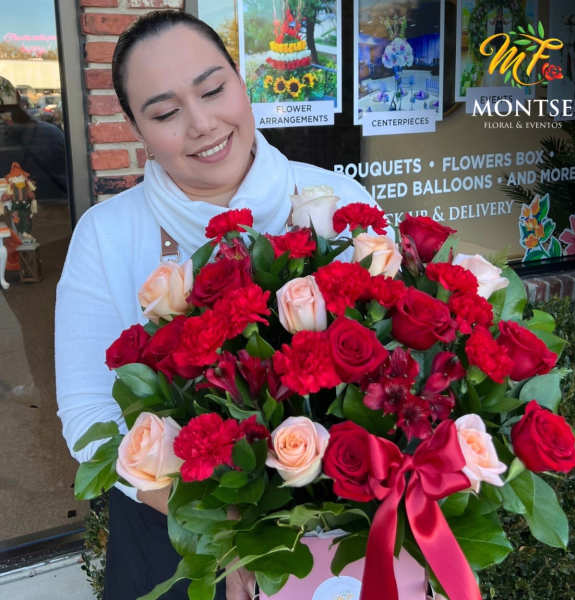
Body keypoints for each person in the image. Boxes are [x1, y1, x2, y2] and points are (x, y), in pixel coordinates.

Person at [55, 10, 384, 600]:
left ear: (242, 81)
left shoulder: (336, 202)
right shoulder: (106, 235)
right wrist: (226, 531)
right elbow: (89, 418)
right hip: (173, 541)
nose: (202, 124)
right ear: (136, 127)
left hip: (341, 542)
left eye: (212, 90)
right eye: (165, 113)